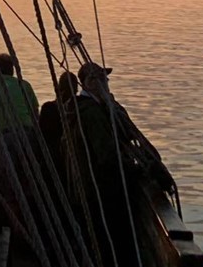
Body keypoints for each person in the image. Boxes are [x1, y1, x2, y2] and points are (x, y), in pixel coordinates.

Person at [71, 61, 141, 267]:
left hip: (93, 189)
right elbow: (107, 156)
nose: (107, 84)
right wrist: (136, 170)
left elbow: (127, 131)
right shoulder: (91, 113)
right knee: (110, 246)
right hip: (101, 192)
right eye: (102, 80)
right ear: (90, 83)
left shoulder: (98, 108)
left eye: (106, 80)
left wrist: (113, 107)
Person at [0, 53, 39, 130]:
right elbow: (35, 110)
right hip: (28, 127)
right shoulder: (25, 84)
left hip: (6, 129)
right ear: (12, 68)